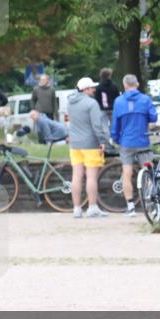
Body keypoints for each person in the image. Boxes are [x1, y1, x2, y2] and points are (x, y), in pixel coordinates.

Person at [111, 74, 158, 217]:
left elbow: (115, 125)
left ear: (125, 85)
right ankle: (152, 205)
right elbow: (154, 117)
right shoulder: (145, 99)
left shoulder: (118, 101)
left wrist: (116, 139)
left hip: (126, 142)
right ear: (136, 84)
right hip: (143, 141)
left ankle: (130, 207)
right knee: (149, 173)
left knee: (127, 173)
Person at [68, 77, 110, 218]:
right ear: (85, 89)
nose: (94, 89)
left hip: (75, 144)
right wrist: (103, 141)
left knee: (76, 176)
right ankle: (92, 207)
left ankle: (77, 208)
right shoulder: (91, 103)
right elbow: (97, 125)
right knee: (91, 177)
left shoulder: (70, 102)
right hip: (90, 144)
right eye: (91, 87)